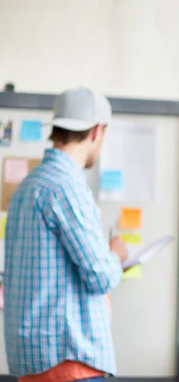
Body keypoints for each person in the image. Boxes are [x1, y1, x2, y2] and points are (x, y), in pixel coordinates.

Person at [4, 87, 128, 382]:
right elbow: (100, 276)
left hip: (34, 361)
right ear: (97, 131)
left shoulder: (27, 186)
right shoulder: (66, 187)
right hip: (69, 360)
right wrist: (116, 255)